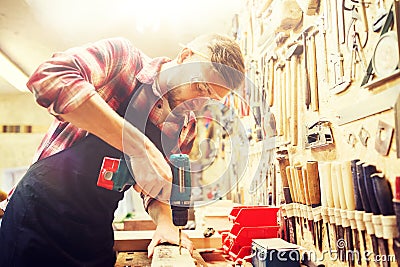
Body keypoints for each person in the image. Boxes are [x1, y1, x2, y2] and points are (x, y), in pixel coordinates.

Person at [0, 33, 245, 266]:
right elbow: (49, 78)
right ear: (184, 57)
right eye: (200, 87)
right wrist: (137, 145)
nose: (198, 102)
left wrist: (166, 224)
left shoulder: (186, 126)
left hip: (94, 235)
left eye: (210, 99)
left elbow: (155, 186)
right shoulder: (124, 61)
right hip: (35, 222)